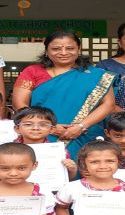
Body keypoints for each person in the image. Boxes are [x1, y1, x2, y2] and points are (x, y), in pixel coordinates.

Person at [12, 31, 117, 159]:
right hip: (42, 132)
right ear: (46, 51)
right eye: (56, 49)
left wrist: (80, 126)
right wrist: (49, 126)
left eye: (70, 48)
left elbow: (108, 105)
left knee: (85, 166)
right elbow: (19, 103)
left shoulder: (97, 75)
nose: (63, 52)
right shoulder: (32, 72)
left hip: (84, 133)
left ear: (78, 49)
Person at [12, 106, 78, 178]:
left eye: (43, 125)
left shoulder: (59, 151)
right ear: (17, 129)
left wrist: (72, 170)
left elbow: (66, 178)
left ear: (52, 129)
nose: (35, 128)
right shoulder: (7, 149)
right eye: (28, 124)